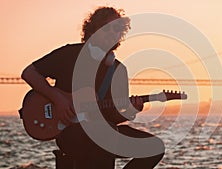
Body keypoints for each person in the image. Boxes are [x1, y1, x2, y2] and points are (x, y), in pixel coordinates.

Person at [21, 6, 165, 169]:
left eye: (117, 29)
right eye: (106, 28)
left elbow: (112, 116)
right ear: (93, 29)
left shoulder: (118, 70)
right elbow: (29, 72)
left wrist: (132, 110)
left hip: (104, 132)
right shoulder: (69, 54)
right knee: (104, 136)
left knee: (154, 148)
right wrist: (57, 98)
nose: (112, 32)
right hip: (71, 132)